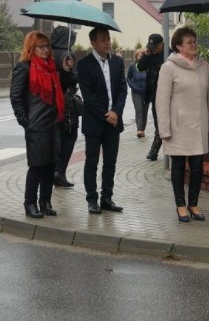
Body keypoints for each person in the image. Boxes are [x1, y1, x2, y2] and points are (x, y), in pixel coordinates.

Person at [155, 27, 209, 222]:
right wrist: (164, 129)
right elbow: (162, 101)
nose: (194, 45)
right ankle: (180, 205)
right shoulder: (169, 67)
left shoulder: (203, 67)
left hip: (198, 125)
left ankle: (194, 203)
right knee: (179, 168)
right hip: (178, 127)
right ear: (178, 46)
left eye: (195, 41)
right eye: (189, 42)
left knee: (198, 167)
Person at [9, 31, 64, 218]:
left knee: (50, 165)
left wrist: (67, 69)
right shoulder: (24, 68)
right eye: (42, 46)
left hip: (53, 123)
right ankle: (30, 203)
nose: (46, 50)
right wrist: (26, 121)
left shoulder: (52, 67)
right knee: (37, 166)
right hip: (36, 125)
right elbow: (15, 97)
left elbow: (65, 88)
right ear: (32, 48)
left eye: (47, 46)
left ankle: (45, 201)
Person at [76, 26, 127, 215]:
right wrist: (107, 114)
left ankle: (107, 198)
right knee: (91, 162)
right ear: (93, 42)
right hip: (95, 122)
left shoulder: (118, 63)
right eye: (103, 39)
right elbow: (88, 96)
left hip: (114, 122)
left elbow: (122, 90)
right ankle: (92, 199)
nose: (108, 42)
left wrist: (116, 112)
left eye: (108, 38)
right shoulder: (84, 65)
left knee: (110, 162)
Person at [49, 25, 79, 188]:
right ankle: (59, 172)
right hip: (66, 104)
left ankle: (54, 171)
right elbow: (73, 78)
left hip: (50, 102)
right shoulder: (67, 54)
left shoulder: (49, 52)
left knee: (55, 138)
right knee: (69, 136)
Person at [137, 34, 165, 161]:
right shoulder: (150, 55)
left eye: (155, 46)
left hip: (166, 94)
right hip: (153, 94)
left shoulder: (168, 54)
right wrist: (146, 55)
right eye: (151, 46)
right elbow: (140, 67)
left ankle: (155, 150)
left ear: (161, 44)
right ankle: (155, 149)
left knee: (163, 123)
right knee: (157, 123)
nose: (153, 49)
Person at [127, 48, 149, 139]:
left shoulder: (148, 65)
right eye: (139, 55)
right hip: (136, 92)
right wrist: (132, 86)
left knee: (145, 111)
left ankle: (143, 129)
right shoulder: (132, 66)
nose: (141, 57)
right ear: (136, 56)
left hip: (147, 92)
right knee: (139, 109)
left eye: (142, 55)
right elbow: (128, 78)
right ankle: (139, 130)